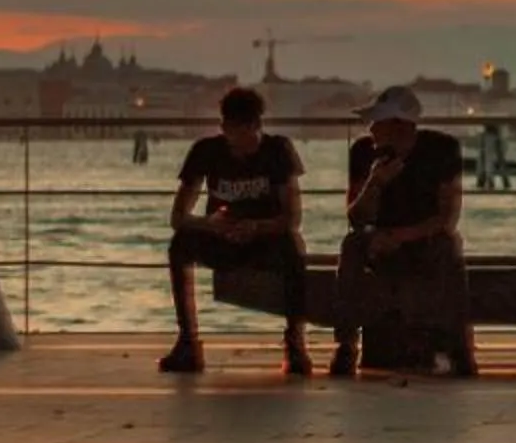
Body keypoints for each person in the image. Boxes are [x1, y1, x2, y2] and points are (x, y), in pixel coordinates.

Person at [159, 86, 309, 376]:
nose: (239, 142)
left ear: (257, 126)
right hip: (220, 237)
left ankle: (295, 343)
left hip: (263, 239)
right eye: (231, 131)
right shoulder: (206, 151)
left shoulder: (278, 150)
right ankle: (187, 340)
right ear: (224, 127)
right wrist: (210, 224)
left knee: (293, 248)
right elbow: (178, 217)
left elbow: (292, 217)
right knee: (180, 244)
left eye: (245, 133)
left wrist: (257, 227)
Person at [335, 85, 473, 376]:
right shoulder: (363, 152)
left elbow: (446, 217)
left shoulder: (441, 149)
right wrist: (375, 183)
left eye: (378, 121)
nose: (372, 128)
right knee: (352, 245)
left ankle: (455, 346)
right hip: (378, 239)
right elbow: (355, 217)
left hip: (422, 239)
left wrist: (398, 236)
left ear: (400, 125)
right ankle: (346, 343)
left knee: (448, 247)